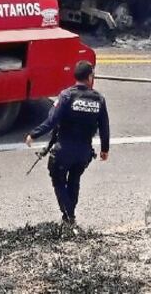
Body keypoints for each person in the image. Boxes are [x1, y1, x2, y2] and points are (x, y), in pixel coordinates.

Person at [25, 61, 110, 224]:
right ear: (89, 77)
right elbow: (104, 126)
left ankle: (69, 214)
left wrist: (33, 134)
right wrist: (104, 149)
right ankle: (70, 214)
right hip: (83, 152)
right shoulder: (99, 99)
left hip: (64, 150)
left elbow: (52, 121)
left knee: (58, 179)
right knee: (75, 179)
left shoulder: (66, 95)